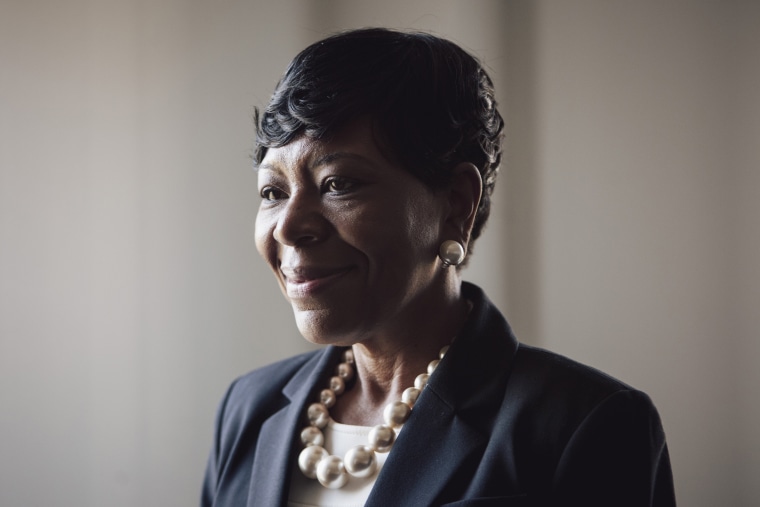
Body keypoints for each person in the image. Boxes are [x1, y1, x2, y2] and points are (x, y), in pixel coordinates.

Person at [201, 28, 676, 507]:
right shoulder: (248, 407)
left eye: (337, 183)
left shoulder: (584, 424)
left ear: (455, 205)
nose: (288, 226)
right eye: (272, 193)